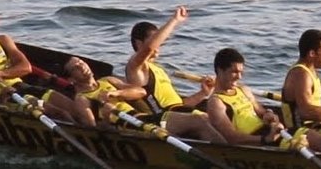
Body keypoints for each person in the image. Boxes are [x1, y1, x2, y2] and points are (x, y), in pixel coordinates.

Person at [0, 0, 86, 124]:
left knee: (74, 110)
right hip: (10, 97)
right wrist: (0, 99)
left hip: (24, 87)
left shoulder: (3, 40)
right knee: (61, 114)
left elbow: (26, 67)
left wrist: (1, 74)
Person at [124, 8, 223, 142]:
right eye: (155, 40)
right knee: (200, 119)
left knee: (217, 115)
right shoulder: (135, 67)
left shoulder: (159, 70)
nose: (159, 47)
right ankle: (228, 156)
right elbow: (149, 48)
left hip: (175, 113)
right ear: (138, 43)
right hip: (158, 119)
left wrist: (203, 93)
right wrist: (174, 20)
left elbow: (179, 104)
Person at [204, 47, 285, 145]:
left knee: (305, 135)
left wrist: (268, 114)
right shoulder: (215, 102)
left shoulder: (243, 90)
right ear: (220, 71)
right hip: (257, 140)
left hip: (269, 132)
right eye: (234, 72)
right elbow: (231, 138)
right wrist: (265, 139)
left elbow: (261, 111)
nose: (239, 77)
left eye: (241, 72)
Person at [58, 55, 145, 127]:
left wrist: (116, 93)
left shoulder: (107, 80)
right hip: (123, 125)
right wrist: (107, 117)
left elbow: (141, 91)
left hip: (139, 117)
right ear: (71, 79)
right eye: (76, 68)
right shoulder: (81, 99)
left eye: (81, 62)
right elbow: (94, 130)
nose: (82, 67)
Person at [281, 29, 321, 131]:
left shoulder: (309, 71)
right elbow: (305, 112)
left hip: (314, 125)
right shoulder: (301, 74)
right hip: (300, 131)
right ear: (312, 53)